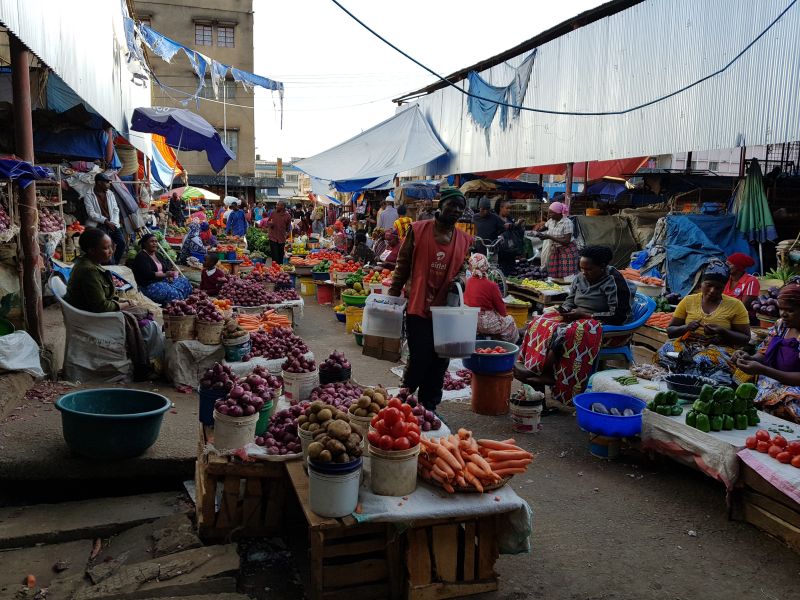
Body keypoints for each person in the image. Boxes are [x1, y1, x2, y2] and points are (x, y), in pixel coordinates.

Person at [514, 246, 636, 407]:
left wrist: (587, 315)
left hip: (605, 323)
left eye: (589, 269)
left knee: (568, 331)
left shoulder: (614, 281)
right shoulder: (580, 277)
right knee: (540, 322)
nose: (584, 273)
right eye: (582, 269)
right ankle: (533, 366)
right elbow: (570, 300)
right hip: (578, 316)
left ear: (603, 266)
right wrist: (565, 310)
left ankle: (548, 372)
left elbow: (620, 316)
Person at [388, 187, 472, 411]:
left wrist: (462, 278)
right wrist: (393, 293)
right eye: (452, 205)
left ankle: (428, 407)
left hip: (447, 311)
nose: (456, 210)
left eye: (460, 207)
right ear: (441, 205)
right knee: (420, 357)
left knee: (440, 360)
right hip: (418, 305)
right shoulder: (418, 230)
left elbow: (465, 266)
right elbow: (403, 264)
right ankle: (403, 403)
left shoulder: (464, 240)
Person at [64, 228, 163, 380]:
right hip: (96, 318)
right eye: (105, 248)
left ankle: (148, 363)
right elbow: (101, 306)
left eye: (111, 247)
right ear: (91, 250)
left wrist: (123, 301)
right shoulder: (89, 271)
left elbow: (102, 297)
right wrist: (125, 304)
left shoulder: (89, 265)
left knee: (144, 314)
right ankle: (146, 366)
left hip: (93, 311)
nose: (110, 251)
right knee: (150, 327)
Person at [658, 261, 750, 380]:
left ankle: (691, 382)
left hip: (718, 349)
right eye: (709, 285)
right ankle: (675, 377)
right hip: (688, 345)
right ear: (701, 283)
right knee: (665, 351)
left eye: (718, 288)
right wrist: (686, 328)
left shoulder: (736, 306)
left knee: (702, 360)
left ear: (724, 287)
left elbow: (745, 338)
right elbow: (670, 331)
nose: (712, 291)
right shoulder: (688, 301)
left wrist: (723, 331)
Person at [734, 283, 800, 423]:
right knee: (737, 378)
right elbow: (764, 351)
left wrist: (763, 370)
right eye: (781, 309)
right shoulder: (781, 325)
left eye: (790, 310)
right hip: (773, 378)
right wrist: (749, 358)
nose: (783, 314)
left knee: (790, 401)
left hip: (793, 385)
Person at [464, 253, 518, 342]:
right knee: (510, 321)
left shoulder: (468, 282)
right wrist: (504, 316)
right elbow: (501, 309)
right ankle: (510, 344)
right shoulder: (491, 285)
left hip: (470, 321)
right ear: (486, 267)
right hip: (485, 323)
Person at [132, 233, 192, 304]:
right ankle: (176, 305)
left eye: (156, 241)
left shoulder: (157, 254)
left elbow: (166, 268)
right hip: (149, 285)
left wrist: (170, 274)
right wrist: (165, 275)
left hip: (163, 281)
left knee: (185, 282)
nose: (154, 243)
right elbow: (148, 274)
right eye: (152, 241)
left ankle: (181, 302)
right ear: (145, 244)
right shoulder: (141, 256)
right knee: (174, 293)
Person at [81, 173, 126, 265]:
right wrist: (105, 221)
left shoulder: (110, 194)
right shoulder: (88, 195)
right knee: (105, 246)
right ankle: (108, 264)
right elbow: (91, 213)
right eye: (106, 183)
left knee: (121, 242)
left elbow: (115, 209)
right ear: (99, 183)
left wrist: (113, 222)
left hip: (112, 223)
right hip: (98, 224)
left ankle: (115, 264)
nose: (108, 185)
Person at [534, 201, 578, 278]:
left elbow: (566, 241)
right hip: (555, 249)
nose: (549, 215)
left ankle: (569, 289)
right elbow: (544, 227)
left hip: (567, 250)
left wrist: (549, 237)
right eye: (549, 213)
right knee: (554, 272)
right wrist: (538, 231)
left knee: (567, 274)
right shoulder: (551, 221)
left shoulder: (567, 222)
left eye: (551, 213)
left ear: (559, 213)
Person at [724, 252, 760, 321]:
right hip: (725, 315)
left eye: (729, 264)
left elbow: (743, 307)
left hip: (742, 319)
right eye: (726, 264)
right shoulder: (726, 279)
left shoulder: (750, 281)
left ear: (738, 267)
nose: (726, 267)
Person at [266, 201, 293, 266]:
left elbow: (288, 228)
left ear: (283, 207)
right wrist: (270, 224)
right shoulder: (273, 213)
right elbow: (268, 222)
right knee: (275, 257)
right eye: (276, 205)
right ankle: (274, 270)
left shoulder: (288, 216)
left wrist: (287, 235)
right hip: (273, 237)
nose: (276, 206)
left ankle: (280, 271)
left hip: (282, 238)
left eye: (278, 205)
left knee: (280, 256)